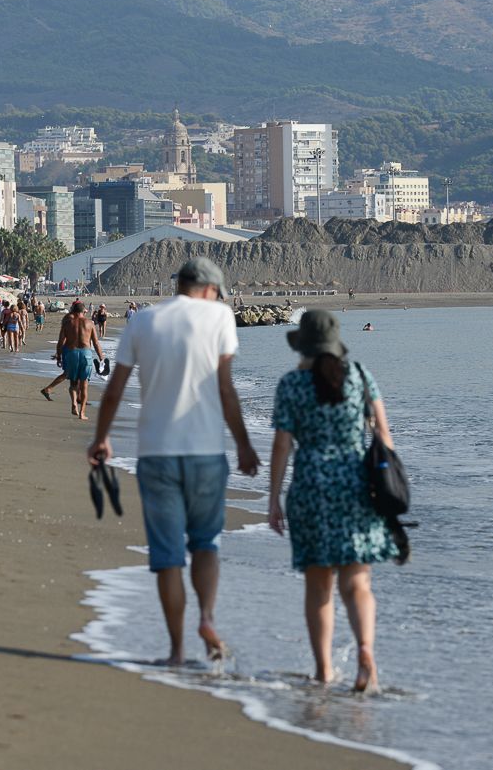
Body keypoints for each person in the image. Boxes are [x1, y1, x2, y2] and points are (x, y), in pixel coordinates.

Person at [87, 258, 260, 665]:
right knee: (205, 545)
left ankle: (178, 651)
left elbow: (114, 389)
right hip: (205, 453)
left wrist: (101, 439)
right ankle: (207, 617)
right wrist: (244, 445)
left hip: (157, 454)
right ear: (207, 288)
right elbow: (225, 389)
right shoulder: (219, 317)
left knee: (167, 557)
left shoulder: (144, 320)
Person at [266, 309, 399, 691]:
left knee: (319, 585)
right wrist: (388, 489)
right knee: (358, 582)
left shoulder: (292, 385)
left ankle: (324, 671)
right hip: (358, 486)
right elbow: (385, 437)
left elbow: (282, 445)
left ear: (303, 346)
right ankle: (366, 652)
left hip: (311, 488)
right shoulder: (358, 376)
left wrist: (273, 498)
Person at [40, 302, 104, 419]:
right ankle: (82, 413)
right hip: (86, 354)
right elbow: (95, 343)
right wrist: (101, 357)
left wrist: (59, 356)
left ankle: (74, 403)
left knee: (73, 382)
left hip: (71, 353)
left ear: (73, 311)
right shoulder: (90, 323)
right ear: (83, 311)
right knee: (84, 385)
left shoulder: (67, 323)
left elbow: (60, 342)